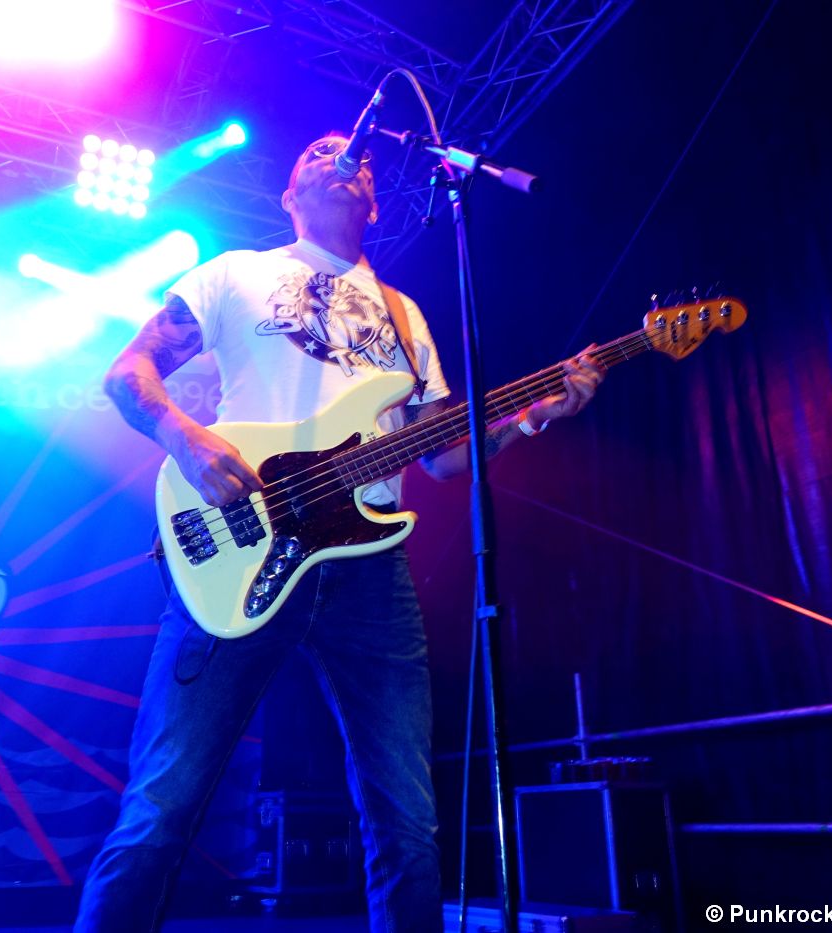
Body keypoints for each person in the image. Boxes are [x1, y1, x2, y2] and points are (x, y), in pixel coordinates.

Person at [76, 132, 604, 933]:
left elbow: (444, 455)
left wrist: (535, 414)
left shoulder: (405, 315)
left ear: (375, 203)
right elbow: (128, 372)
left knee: (407, 821)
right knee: (161, 805)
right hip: (237, 545)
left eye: (351, 157)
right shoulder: (234, 273)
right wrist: (187, 438)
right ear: (289, 196)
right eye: (317, 152)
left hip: (369, 571)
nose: (339, 155)